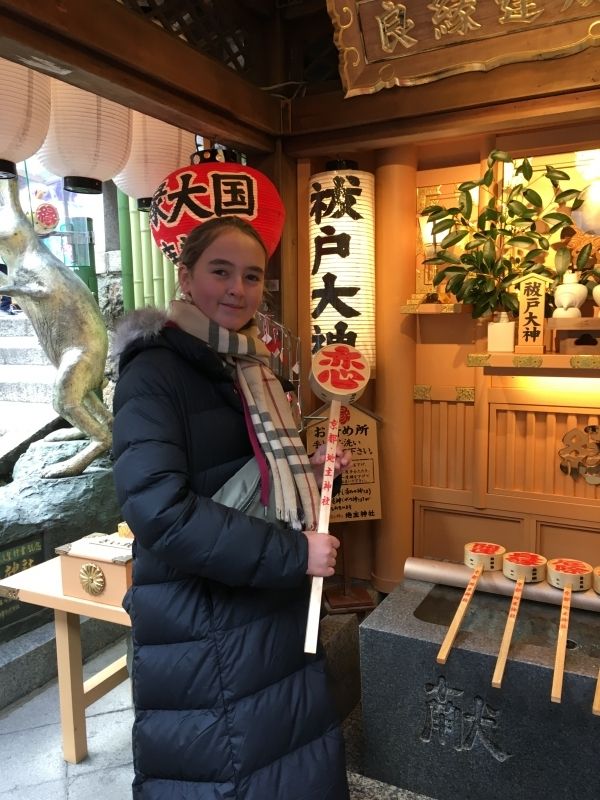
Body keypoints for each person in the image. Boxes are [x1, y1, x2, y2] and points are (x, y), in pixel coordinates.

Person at [112, 215, 352, 799]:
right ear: (186, 276)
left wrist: (314, 474)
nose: (237, 289)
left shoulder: (249, 365)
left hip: (265, 606)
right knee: (223, 771)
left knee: (283, 764)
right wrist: (296, 553)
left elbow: (264, 481)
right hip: (203, 620)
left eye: (251, 276)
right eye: (220, 271)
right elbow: (160, 512)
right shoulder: (155, 369)